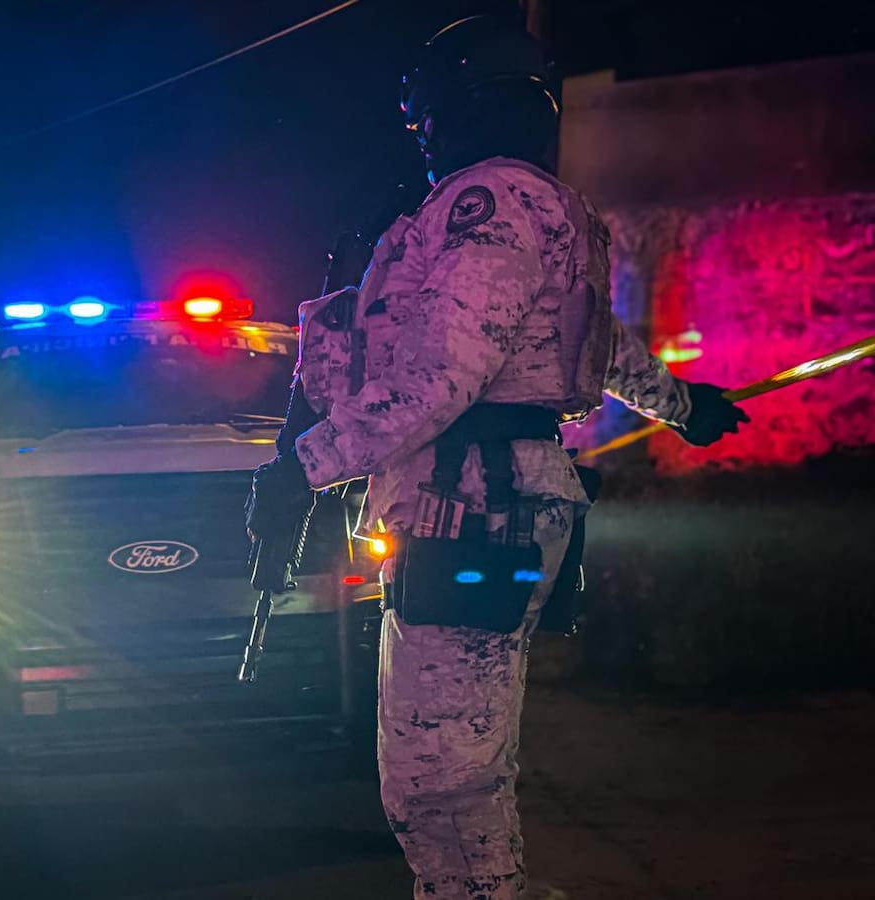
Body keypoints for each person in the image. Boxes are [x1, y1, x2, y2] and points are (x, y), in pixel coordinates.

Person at [246, 9, 748, 900]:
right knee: (453, 773)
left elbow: (442, 375)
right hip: (488, 508)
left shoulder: (490, 202)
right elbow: (590, 344)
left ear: (459, 108)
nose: (424, 142)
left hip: (473, 510)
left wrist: (303, 469)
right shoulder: (538, 209)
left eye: (428, 122)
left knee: (440, 785)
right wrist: (682, 406)